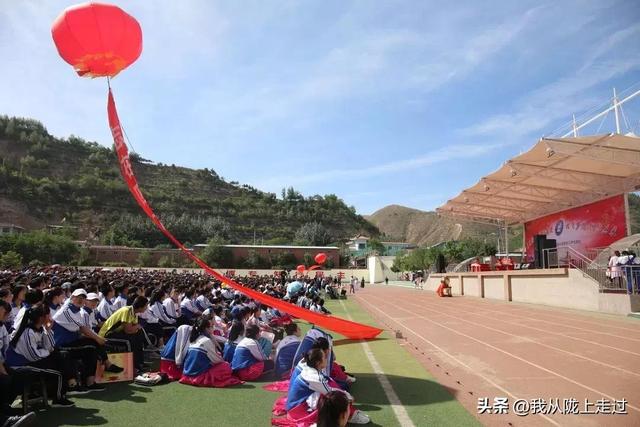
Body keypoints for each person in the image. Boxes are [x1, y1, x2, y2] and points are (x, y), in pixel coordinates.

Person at [5, 304, 75, 407]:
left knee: (62, 355)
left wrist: (48, 329)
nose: (50, 316)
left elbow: (51, 347)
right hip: (20, 365)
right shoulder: (28, 332)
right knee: (58, 371)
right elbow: (34, 356)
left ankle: (68, 382)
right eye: (48, 314)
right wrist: (47, 352)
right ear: (42, 317)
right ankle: (58, 397)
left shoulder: (40, 328)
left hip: (31, 360)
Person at [284, 348, 369, 425]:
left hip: (295, 405)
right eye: (324, 357)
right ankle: (350, 415)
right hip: (297, 411)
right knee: (333, 400)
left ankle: (348, 413)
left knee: (333, 390)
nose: (326, 359)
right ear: (318, 362)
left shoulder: (310, 368)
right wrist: (347, 396)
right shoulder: (314, 376)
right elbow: (331, 393)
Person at [51, 289, 105, 393]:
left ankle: (90, 381)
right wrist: (98, 339)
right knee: (93, 345)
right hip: (61, 344)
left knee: (92, 346)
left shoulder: (78, 311)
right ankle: (88, 381)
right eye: (78, 297)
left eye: (83, 298)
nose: (80, 300)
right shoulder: (67, 310)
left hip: (71, 342)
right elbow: (82, 328)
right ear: (72, 298)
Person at [179, 316, 242, 388]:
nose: (213, 328)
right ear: (206, 328)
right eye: (212, 326)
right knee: (226, 366)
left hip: (186, 374)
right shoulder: (206, 340)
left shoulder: (193, 339)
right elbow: (217, 360)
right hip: (198, 375)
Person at [99, 296, 149, 373]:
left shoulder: (134, 312)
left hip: (117, 332)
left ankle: (140, 363)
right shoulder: (127, 311)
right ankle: (133, 366)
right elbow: (128, 330)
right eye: (146, 305)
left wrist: (136, 327)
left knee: (139, 336)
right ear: (140, 306)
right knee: (129, 341)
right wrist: (137, 327)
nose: (146, 307)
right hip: (107, 335)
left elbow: (134, 329)